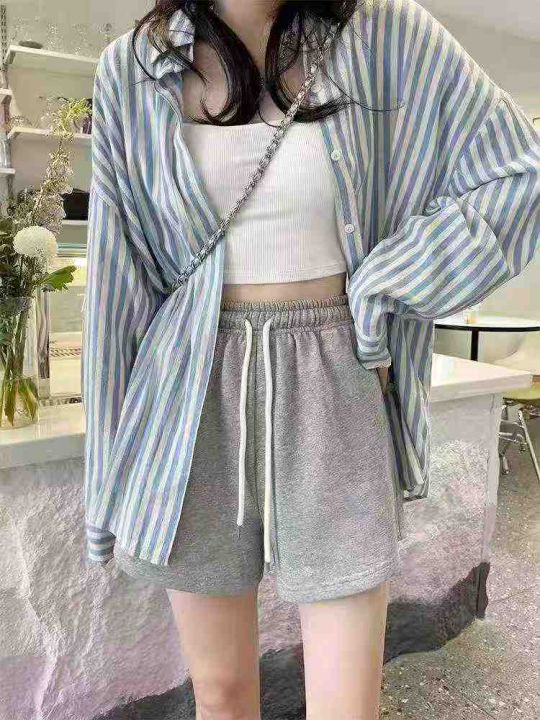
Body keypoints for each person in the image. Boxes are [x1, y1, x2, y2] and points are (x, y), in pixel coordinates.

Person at [81, 1, 540, 718]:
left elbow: (521, 172)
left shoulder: (385, 33)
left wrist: (386, 284)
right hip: (188, 391)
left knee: (346, 703)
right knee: (221, 695)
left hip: (333, 377)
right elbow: (118, 281)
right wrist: (107, 484)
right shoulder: (134, 69)